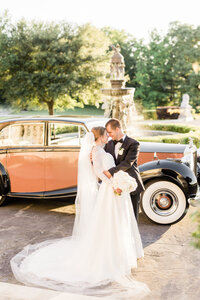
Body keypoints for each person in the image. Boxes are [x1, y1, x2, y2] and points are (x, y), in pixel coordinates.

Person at [10, 127, 150, 299]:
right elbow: (98, 172)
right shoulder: (98, 151)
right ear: (99, 137)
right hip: (111, 190)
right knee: (109, 222)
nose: (109, 136)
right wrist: (113, 183)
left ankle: (124, 253)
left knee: (118, 221)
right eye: (106, 134)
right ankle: (110, 257)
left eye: (109, 133)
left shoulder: (103, 148)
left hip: (113, 190)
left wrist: (115, 181)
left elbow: (116, 165)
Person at [104, 118, 145, 222]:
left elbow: (127, 163)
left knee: (132, 217)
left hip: (131, 184)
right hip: (115, 186)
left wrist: (111, 172)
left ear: (117, 129)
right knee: (119, 219)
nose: (108, 135)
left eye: (110, 132)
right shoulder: (108, 144)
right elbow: (102, 157)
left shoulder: (133, 144)